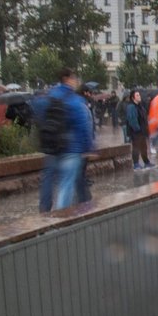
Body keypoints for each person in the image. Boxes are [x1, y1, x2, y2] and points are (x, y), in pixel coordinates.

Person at [32, 67, 94, 211]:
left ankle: (44, 207)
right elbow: (83, 124)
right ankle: (61, 216)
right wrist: (89, 147)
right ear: (67, 79)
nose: (76, 81)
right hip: (71, 148)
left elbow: (37, 111)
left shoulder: (49, 95)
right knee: (66, 183)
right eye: (74, 78)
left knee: (48, 178)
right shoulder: (75, 99)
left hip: (52, 146)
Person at [126, 90, 155, 170]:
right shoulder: (131, 107)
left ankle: (146, 162)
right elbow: (132, 119)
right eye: (137, 95)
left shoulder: (140, 106)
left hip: (142, 131)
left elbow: (144, 117)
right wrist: (137, 129)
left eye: (139, 95)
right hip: (136, 132)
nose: (139, 97)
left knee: (144, 147)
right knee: (136, 147)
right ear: (133, 97)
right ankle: (136, 164)